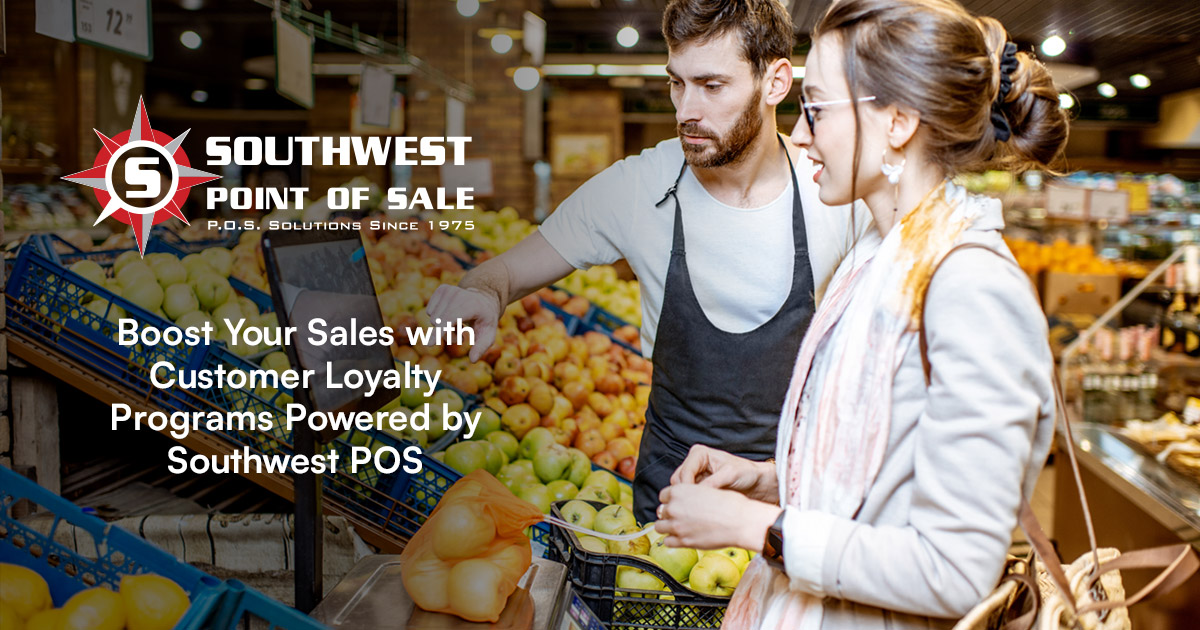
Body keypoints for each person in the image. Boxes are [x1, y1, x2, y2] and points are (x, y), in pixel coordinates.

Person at [652, 0, 1067, 627]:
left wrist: (759, 526)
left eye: (817, 109)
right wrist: (770, 482)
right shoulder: (878, 254)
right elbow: (886, 478)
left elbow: (954, 571)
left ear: (897, 121)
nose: (799, 135)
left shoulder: (971, 288)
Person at [427, 0, 868, 524]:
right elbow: (505, 270)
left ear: (775, 83)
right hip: (670, 502)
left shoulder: (833, 192)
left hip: (794, 498)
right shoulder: (639, 187)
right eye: (677, 83)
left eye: (712, 86)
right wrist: (483, 291)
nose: (686, 111)